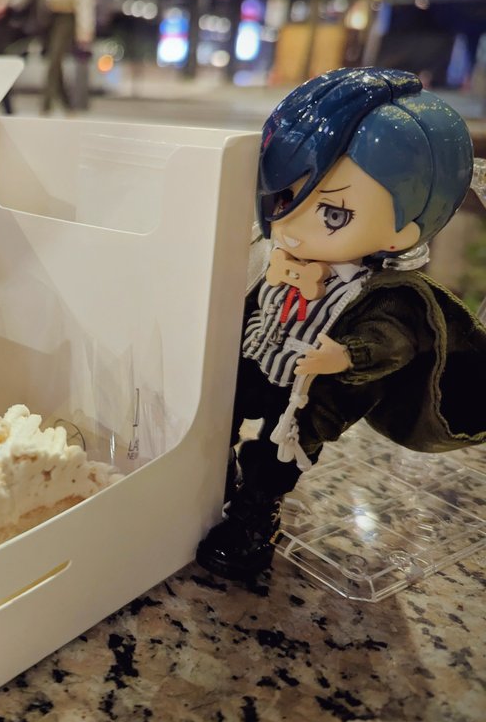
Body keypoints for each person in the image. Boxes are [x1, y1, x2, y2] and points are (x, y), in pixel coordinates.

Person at [196, 67, 486, 581]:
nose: (292, 227)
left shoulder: (385, 293)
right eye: (284, 199)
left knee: (276, 456)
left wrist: (347, 355)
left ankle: (254, 519)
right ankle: (206, 480)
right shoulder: (273, 256)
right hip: (260, 358)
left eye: (333, 214)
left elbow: (393, 340)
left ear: (406, 230)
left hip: (311, 391)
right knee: (218, 412)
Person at [38, 0, 95, 115]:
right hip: (47, 14)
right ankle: (67, 104)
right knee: (52, 59)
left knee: (55, 58)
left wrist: (85, 26)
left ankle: (45, 106)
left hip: (67, 13)